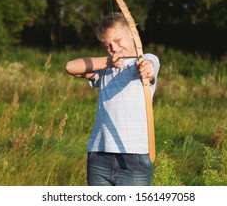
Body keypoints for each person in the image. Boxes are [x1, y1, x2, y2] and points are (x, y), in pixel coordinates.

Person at [65, 12, 160, 186]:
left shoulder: (145, 60)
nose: (114, 48)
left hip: (134, 157)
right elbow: (70, 66)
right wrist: (109, 62)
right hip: (99, 154)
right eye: (107, 45)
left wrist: (147, 70)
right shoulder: (106, 68)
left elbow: (149, 67)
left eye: (118, 40)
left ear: (133, 33)